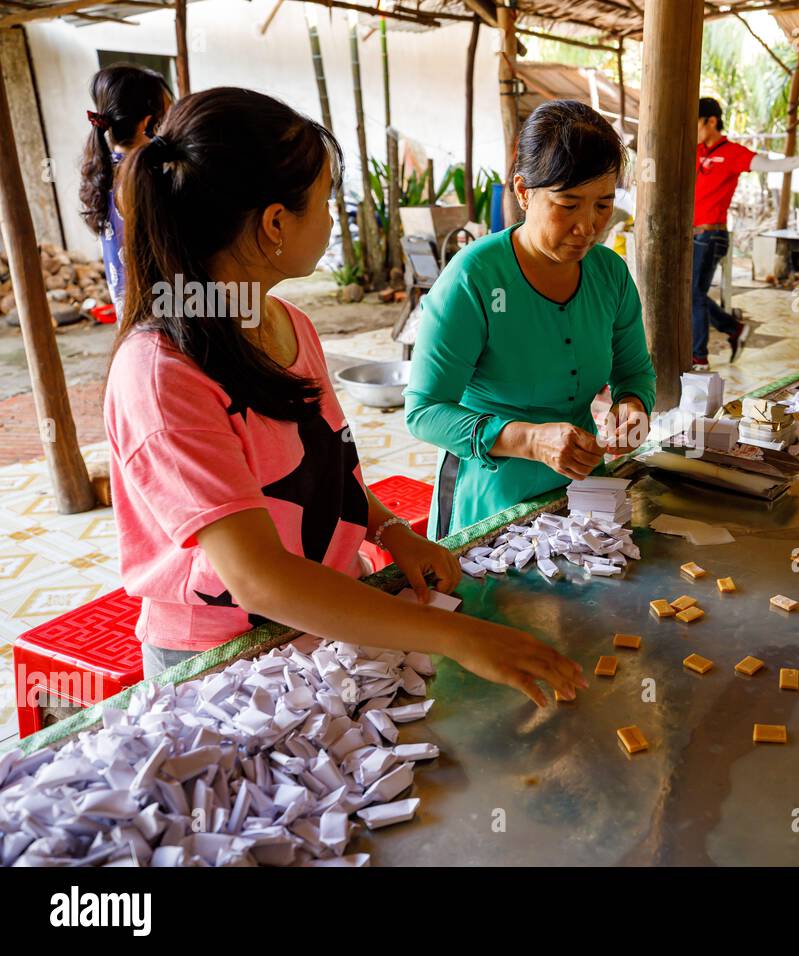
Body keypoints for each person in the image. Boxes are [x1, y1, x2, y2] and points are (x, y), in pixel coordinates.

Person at [105, 88, 583, 707]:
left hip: (329, 623)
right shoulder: (162, 374)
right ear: (275, 223)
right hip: (225, 662)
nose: (333, 220)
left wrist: (391, 531)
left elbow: (327, 471)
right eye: (326, 200)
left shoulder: (287, 326)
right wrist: (456, 635)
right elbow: (258, 579)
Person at [405, 100, 655, 537]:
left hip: (582, 492)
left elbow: (633, 370)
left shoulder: (609, 274)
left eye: (602, 205)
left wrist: (632, 407)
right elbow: (424, 411)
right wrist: (528, 439)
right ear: (523, 192)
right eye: (568, 204)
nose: (588, 227)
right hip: (490, 497)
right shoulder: (475, 277)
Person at [694, 96, 799, 369]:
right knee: (690, 295)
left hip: (711, 236)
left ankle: (699, 357)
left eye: (696, 122)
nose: (693, 129)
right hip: (690, 235)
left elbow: (768, 164)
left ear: (711, 121)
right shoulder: (694, 150)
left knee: (692, 295)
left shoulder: (732, 153)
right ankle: (733, 328)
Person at [79, 64, 173, 319]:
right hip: (158, 318)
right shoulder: (142, 177)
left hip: (133, 315)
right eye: (168, 115)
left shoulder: (107, 169)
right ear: (148, 124)